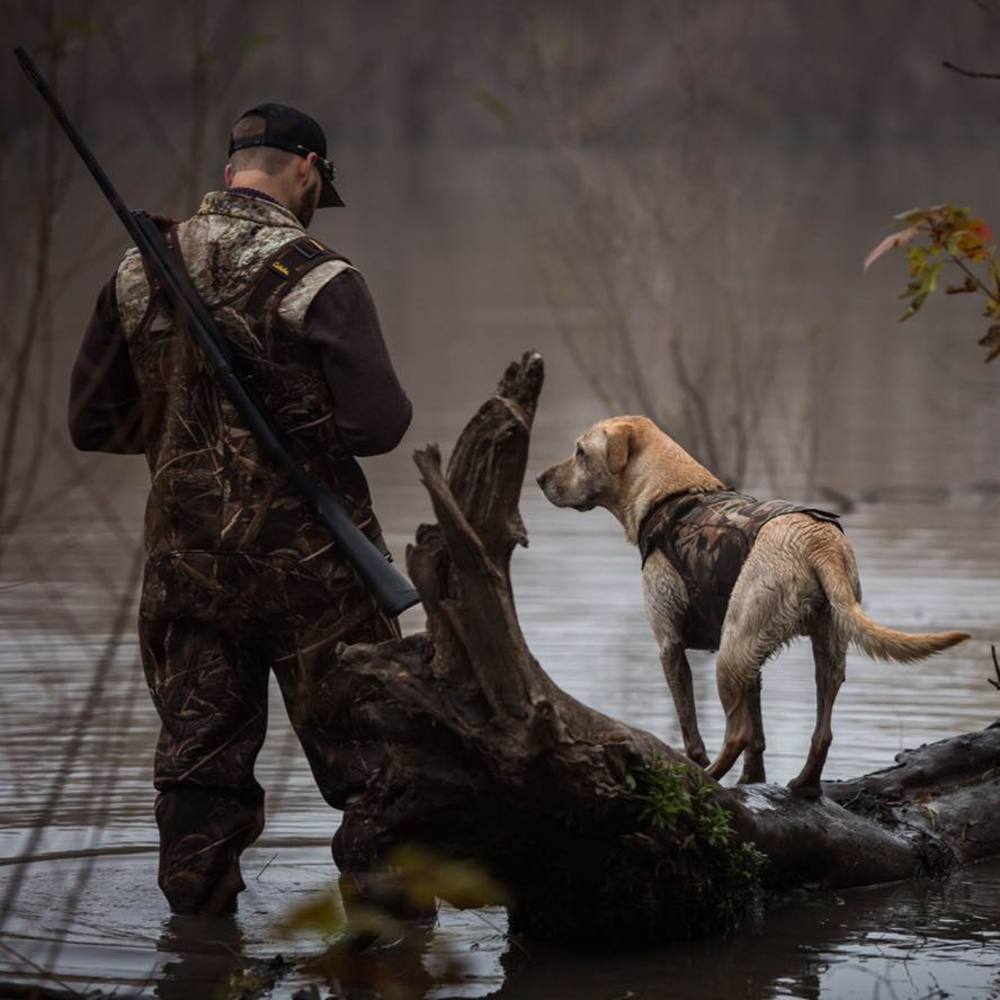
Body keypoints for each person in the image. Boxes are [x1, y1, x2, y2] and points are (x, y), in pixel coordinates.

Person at [67, 102, 413, 915]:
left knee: (198, 773)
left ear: (231, 173)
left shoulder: (136, 271)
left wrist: (189, 434)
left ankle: (196, 951)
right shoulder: (320, 275)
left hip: (187, 566)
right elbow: (379, 425)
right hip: (316, 574)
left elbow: (91, 423)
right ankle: (393, 950)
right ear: (306, 170)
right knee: (375, 767)